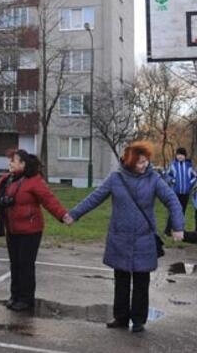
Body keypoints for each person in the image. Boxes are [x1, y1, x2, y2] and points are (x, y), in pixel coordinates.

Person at [67, 141, 184, 333]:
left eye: (146, 161)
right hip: (119, 239)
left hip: (144, 239)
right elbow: (94, 198)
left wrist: (178, 226)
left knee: (141, 281)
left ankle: (138, 320)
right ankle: (120, 317)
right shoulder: (116, 178)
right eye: (140, 162)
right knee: (121, 280)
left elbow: (172, 200)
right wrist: (74, 214)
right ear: (129, 162)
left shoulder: (153, 178)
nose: (144, 165)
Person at [0, 149, 71, 311]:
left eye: (14, 160)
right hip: (12, 229)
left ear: (23, 164)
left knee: (25, 264)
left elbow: (49, 200)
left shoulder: (34, 180)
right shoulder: (6, 180)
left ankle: (26, 299)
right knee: (15, 264)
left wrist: (63, 216)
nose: (10, 163)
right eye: (10, 160)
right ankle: (15, 295)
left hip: (31, 230)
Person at [164, 147, 196, 234]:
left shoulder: (189, 166)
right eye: (178, 155)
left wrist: (190, 184)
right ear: (176, 155)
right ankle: (168, 230)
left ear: (185, 156)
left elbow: (195, 176)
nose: (180, 157)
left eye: (182, 155)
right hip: (175, 192)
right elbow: (166, 175)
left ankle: (179, 229)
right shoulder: (173, 165)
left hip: (185, 193)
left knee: (182, 212)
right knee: (174, 211)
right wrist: (172, 180)